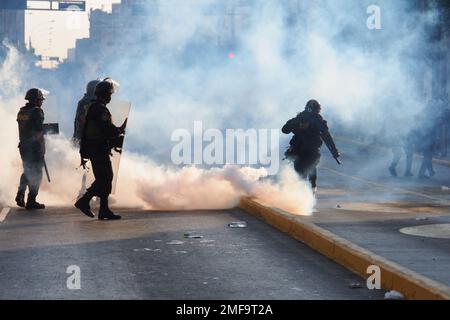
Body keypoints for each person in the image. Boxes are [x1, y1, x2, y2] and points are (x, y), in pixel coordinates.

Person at [74, 79, 126, 220]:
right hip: (97, 148)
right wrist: (118, 131)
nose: (111, 97)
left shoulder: (95, 107)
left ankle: (103, 209)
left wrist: (118, 130)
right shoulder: (99, 109)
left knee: (105, 178)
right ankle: (84, 201)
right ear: (105, 94)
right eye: (109, 94)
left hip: (95, 147)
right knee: (105, 178)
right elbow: (106, 128)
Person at [282, 99, 340, 192]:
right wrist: (334, 151)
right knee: (306, 172)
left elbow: (284, 130)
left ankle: (306, 192)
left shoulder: (302, 118)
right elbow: (327, 137)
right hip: (303, 151)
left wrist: (334, 151)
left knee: (304, 173)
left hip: (302, 151)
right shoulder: (315, 120)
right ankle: (305, 194)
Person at [15, 88, 46, 210]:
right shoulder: (37, 111)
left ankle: (20, 193)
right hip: (34, 147)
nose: (41, 102)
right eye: (40, 100)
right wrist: (42, 148)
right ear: (36, 100)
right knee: (37, 173)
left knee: (27, 170)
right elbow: (38, 132)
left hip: (23, 146)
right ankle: (31, 200)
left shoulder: (21, 112)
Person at [72, 79, 101, 147]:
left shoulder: (88, 101)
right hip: (84, 140)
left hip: (84, 138)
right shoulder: (87, 102)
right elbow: (83, 119)